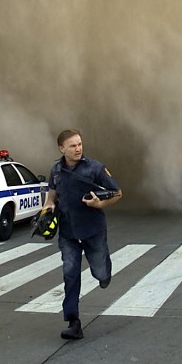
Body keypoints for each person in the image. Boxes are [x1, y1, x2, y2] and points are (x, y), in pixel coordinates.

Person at [41, 128, 122, 341]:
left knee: (100, 271)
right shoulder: (56, 170)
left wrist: (100, 203)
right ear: (62, 148)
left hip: (93, 230)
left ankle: (104, 274)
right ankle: (73, 321)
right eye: (73, 145)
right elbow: (51, 197)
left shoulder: (95, 168)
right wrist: (46, 210)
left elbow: (118, 193)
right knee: (70, 273)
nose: (78, 149)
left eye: (79, 144)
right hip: (68, 233)